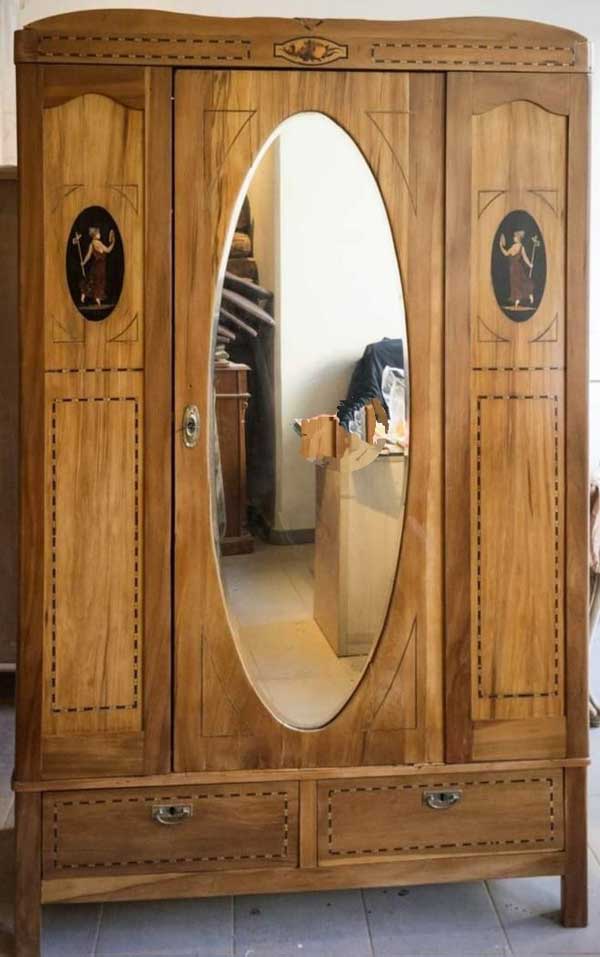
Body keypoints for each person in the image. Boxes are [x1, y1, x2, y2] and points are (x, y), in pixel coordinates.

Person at [79, 225, 115, 307]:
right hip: (100, 267)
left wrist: (83, 262)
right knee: (99, 281)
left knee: (92, 281)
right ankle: (97, 298)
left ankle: (83, 295)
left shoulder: (91, 244)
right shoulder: (98, 243)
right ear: (95, 235)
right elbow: (108, 250)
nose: (100, 234)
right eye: (99, 233)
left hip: (95, 266)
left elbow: (88, 255)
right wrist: (113, 242)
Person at [499, 229, 534, 308]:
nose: (513, 238)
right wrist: (530, 265)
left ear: (518, 238)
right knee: (522, 281)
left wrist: (501, 246)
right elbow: (525, 258)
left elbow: (506, 253)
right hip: (518, 267)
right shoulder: (522, 247)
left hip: (514, 268)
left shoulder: (514, 246)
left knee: (516, 283)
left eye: (514, 237)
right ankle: (528, 295)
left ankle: (518, 299)